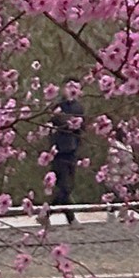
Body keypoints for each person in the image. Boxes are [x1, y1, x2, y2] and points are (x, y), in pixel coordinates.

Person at [48, 84, 86, 224]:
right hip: (58, 151)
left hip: (72, 150)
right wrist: (67, 120)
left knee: (67, 187)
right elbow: (56, 122)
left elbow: (81, 127)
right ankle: (71, 218)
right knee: (64, 186)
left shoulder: (78, 107)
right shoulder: (57, 104)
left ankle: (46, 214)